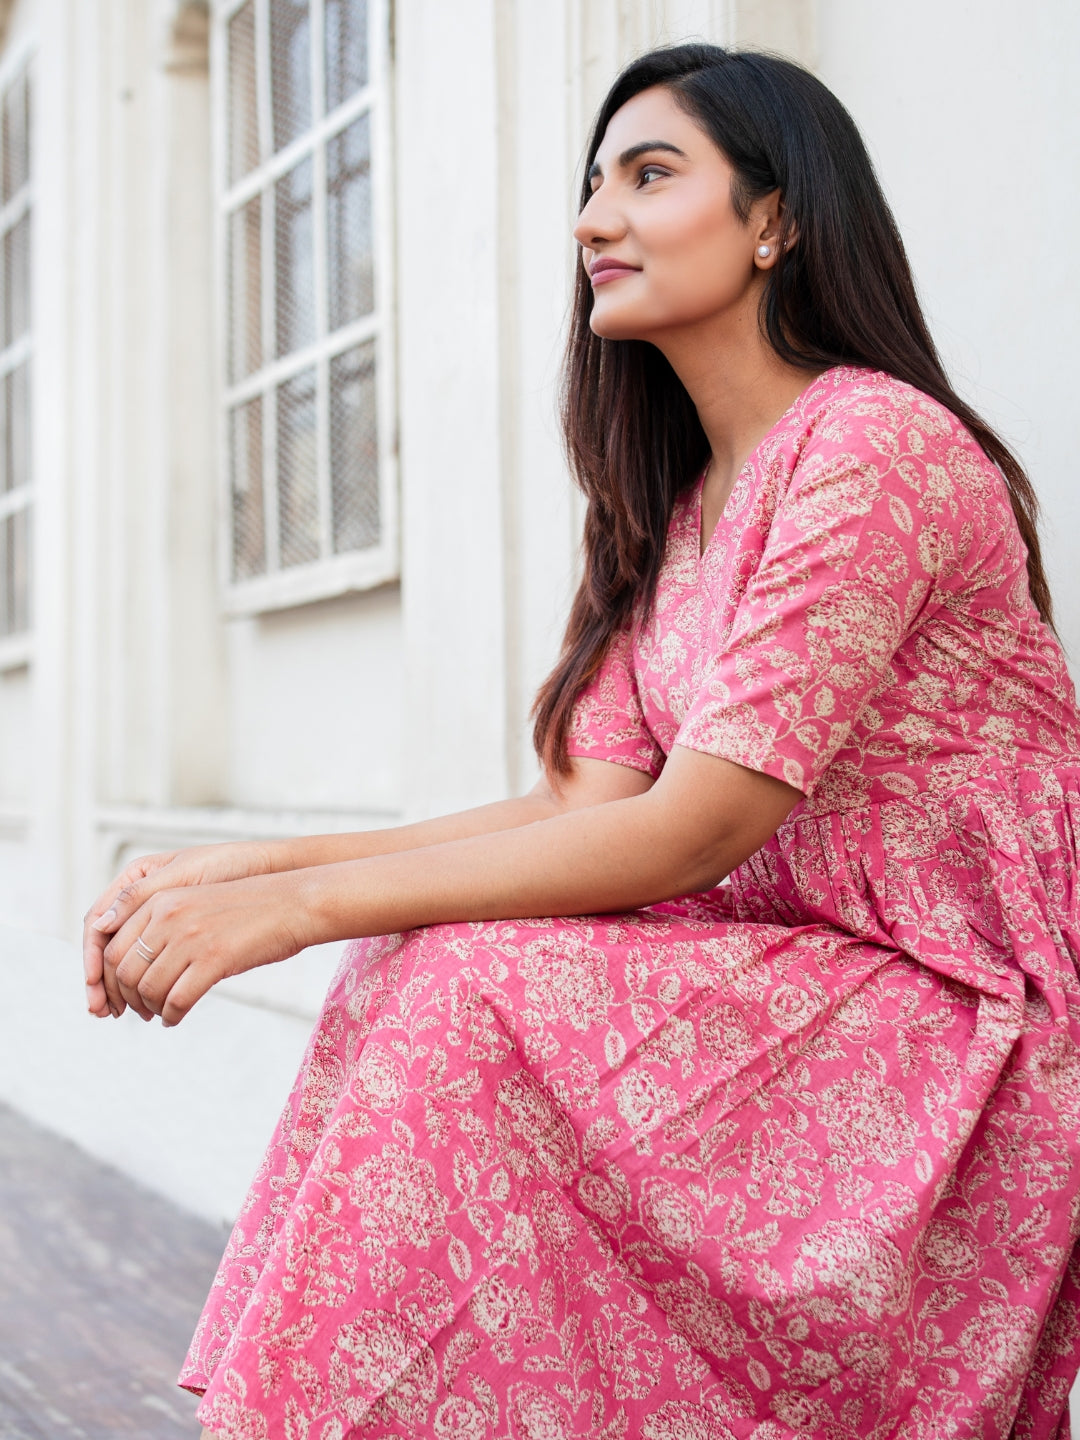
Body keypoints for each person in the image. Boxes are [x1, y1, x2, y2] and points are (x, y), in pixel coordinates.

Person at [83, 42, 1080, 1440]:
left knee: (462, 993)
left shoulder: (872, 448)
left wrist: (295, 908)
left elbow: (697, 829)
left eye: (650, 175)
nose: (593, 218)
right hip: (789, 987)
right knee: (412, 963)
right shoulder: (677, 514)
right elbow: (578, 807)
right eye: (590, 183)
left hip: (950, 1013)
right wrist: (238, 875)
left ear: (774, 218)